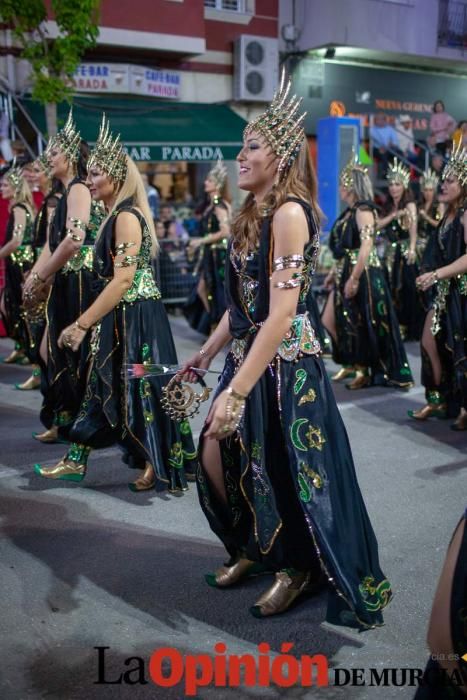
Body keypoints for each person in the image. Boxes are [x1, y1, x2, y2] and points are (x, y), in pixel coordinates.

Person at [180, 73, 392, 627]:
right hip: (246, 355)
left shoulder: (290, 214)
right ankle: (254, 547)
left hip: (284, 368)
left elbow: (280, 315)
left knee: (283, 468)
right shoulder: (249, 215)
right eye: (242, 145)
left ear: (279, 156)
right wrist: (205, 352)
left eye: (251, 146)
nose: (240, 156)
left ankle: (295, 567)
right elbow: (241, 305)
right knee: (219, 454)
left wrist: (237, 390)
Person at [34, 116, 197, 489]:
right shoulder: (117, 214)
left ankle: (155, 460)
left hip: (134, 316)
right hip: (124, 313)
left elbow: (123, 279)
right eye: (88, 175)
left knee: (141, 386)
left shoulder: (125, 216)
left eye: (94, 175)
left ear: (115, 178)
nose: (88, 182)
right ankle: (83, 458)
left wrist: (81, 323)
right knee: (106, 384)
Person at [23, 109, 105, 444]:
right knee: (51, 352)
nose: (48, 158)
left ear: (70, 155)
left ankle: (80, 424)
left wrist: (41, 273)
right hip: (67, 281)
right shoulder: (67, 191)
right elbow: (53, 241)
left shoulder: (78, 189)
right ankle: (66, 420)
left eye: (54, 152)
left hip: (81, 281)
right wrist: (35, 276)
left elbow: (74, 241)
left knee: (68, 354)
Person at [321, 154, 413, 389]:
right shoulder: (350, 212)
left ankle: (365, 369)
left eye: (343, 185)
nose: (340, 189)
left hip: (364, 273)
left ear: (351, 187)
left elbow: (367, 245)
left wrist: (354, 277)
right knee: (332, 319)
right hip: (346, 269)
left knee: (362, 321)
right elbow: (344, 249)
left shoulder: (363, 210)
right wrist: (336, 272)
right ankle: (350, 362)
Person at [409, 143, 467, 430]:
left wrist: (437, 275)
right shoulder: (448, 216)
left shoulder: (466, 214)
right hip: (445, 291)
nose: (444, 185)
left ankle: (464, 406)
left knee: (461, 350)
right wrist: (428, 274)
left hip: (462, 293)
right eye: (443, 180)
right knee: (429, 342)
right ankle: (439, 397)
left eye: (450, 180)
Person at [18, 154, 62, 391]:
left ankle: (47, 383)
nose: (32, 175)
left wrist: (38, 275)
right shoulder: (47, 200)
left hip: (51, 273)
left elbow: (51, 243)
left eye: (37, 170)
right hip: (43, 268)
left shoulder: (55, 201)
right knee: (37, 327)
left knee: (44, 333)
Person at [377, 159, 424, 340]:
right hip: (390, 254)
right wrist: (393, 215)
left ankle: (410, 329)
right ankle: (396, 327)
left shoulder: (410, 205)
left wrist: (412, 249)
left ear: (404, 185)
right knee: (391, 288)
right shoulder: (389, 207)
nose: (393, 188)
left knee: (407, 289)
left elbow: (413, 231)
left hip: (405, 252)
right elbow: (376, 225)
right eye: (390, 184)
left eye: (397, 184)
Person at [184, 160, 231, 335]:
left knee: (215, 289)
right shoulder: (211, 205)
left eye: (209, 181)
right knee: (204, 288)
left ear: (217, 184)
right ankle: (216, 323)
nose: (205, 183)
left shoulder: (219, 206)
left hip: (218, 254)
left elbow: (225, 231)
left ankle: (220, 325)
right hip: (211, 254)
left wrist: (201, 241)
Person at [0, 165, 35, 364]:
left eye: (5, 184)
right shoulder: (16, 207)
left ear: (14, 187)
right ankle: (21, 346)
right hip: (14, 263)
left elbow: (16, 240)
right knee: (9, 306)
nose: (2, 187)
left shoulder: (20, 208)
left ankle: (28, 349)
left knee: (18, 307)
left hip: (21, 263)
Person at [369, 112, 399, 177]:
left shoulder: (390, 129)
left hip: (389, 148)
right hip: (376, 149)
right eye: (377, 119)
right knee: (382, 154)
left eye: (381, 119)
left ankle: (399, 173)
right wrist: (384, 147)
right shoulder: (372, 129)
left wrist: (388, 146)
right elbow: (375, 141)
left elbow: (395, 142)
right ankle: (385, 174)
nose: (379, 121)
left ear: (384, 120)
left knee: (399, 153)